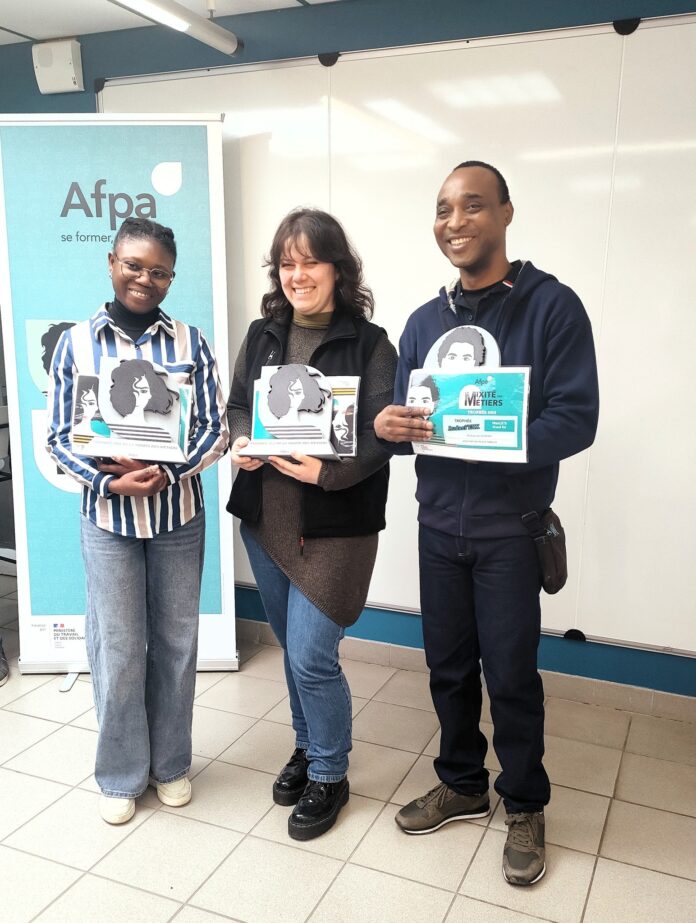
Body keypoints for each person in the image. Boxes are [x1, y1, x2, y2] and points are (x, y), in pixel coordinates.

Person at [374, 161, 599, 886]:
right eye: (443, 209)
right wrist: (387, 426)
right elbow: (404, 420)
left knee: (510, 675)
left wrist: (496, 436)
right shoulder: (423, 321)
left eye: (472, 205)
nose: (455, 221)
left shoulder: (551, 306)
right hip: (438, 527)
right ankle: (463, 783)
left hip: (510, 531)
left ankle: (525, 802)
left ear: (506, 212)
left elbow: (577, 417)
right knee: (446, 667)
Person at [47, 217, 229, 825]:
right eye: (133, 265)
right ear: (112, 262)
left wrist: (168, 472)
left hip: (177, 516)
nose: (144, 279)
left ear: (172, 277)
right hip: (108, 519)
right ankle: (121, 774)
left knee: (176, 645)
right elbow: (59, 438)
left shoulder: (191, 343)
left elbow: (214, 429)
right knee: (119, 648)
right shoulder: (76, 344)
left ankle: (171, 765)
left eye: (159, 272)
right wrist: (109, 481)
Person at [227, 207, 397, 841]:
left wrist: (326, 473)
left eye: (310, 262)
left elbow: (381, 438)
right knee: (292, 655)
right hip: (266, 519)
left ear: (338, 269)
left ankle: (330, 772)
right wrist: (242, 440)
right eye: (286, 264)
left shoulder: (372, 344)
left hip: (337, 524)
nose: (297, 275)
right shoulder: (262, 334)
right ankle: (306, 746)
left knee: (310, 655)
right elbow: (239, 406)